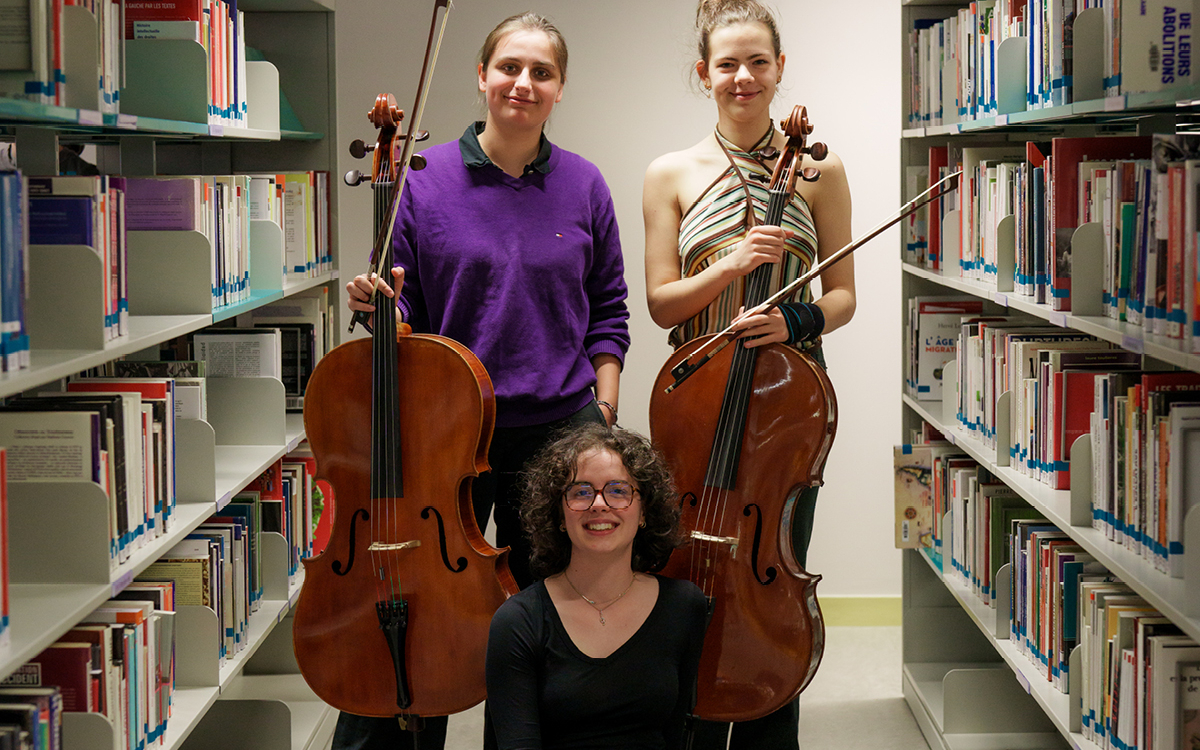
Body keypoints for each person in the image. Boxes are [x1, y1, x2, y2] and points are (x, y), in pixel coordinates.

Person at [336, 12, 630, 750]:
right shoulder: (421, 180)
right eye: (509, 67)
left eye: (541, 72)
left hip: (558, 430)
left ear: (560, 88)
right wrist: (378, 308)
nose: (523, 84)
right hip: (446, 429)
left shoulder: (585, 184)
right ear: (481, 75)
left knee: (546, 620)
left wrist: (603, 408)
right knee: (425, 602)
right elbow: (403, 321)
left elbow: (610, 310)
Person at [641, 1, 856, 748]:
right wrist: (733, 265)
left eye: (757, 62)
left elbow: (843, 296)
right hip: (696, 405)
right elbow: (663, 305)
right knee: (686, 582)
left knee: (772, 579)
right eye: (727, 64)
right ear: (704, 74)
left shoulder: (820, 170)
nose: (743, 77)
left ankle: (771, 720)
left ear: (779, 70)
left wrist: (793, 321)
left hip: (785, 405)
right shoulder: (671, 172)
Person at [485, 423, 709, 749]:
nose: (599, 504)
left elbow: (675, 735)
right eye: (581, 492)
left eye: (618, 490)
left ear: (644, 510)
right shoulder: (518, 621)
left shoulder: (684, 605)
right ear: (559, 515)